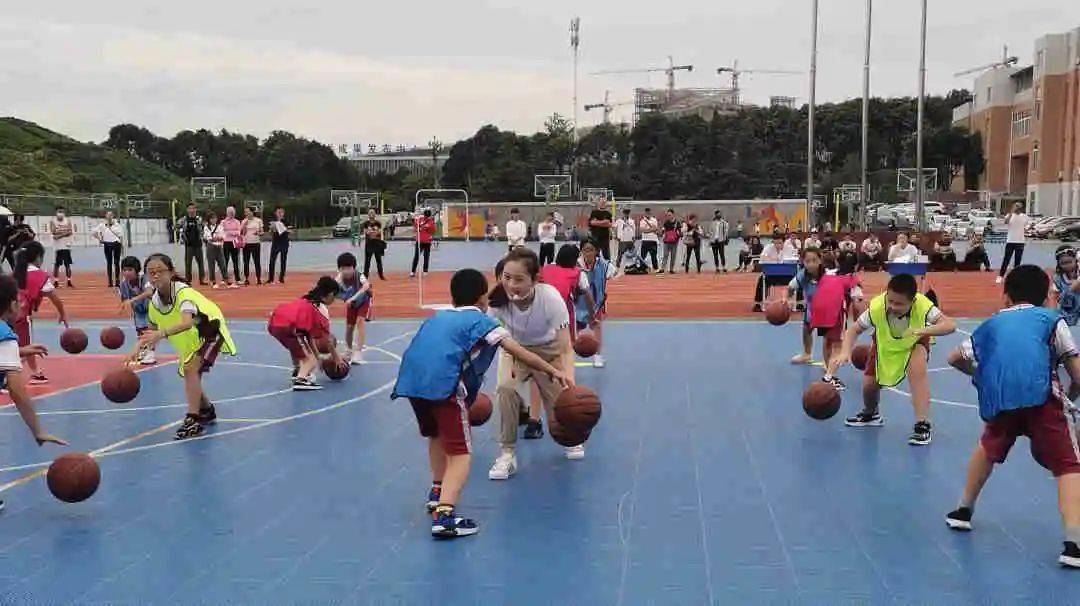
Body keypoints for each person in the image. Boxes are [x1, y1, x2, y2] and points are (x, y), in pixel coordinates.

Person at [391, 267, 569, 538]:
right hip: (444, 387)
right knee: (461, 453)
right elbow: (518, 351)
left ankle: (437, 492)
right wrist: (553, 370)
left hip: (412, 383)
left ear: (453, 299)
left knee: (436, 436)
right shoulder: (483, 322)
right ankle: (446, 515)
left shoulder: (437, 317)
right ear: (481, 299)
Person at [943, 265, 1080, 568]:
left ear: (1005, 298)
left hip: (1004, 398)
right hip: (1042, 397)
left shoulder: (992, 323)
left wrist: (981, 376)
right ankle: (1074, 544)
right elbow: (1077, 373)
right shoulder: (1052, 319)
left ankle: (962, 511)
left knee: (988, 446)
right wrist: (1069, 400)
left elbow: (955, 357)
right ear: (1047, 297)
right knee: (1069, 464)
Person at [830, 273, 956, 445]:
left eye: (899, 303)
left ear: (913, 300)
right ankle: (871, 413)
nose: (893, 306)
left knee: (916, 370)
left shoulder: (923, 305)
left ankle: (922, 424)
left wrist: (922, 331)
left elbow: (950, 325)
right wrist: (845, 351)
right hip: (885, 342)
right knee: (869, 384)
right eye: (891, 301)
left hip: (915, 340)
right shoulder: (877, 307)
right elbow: (854, 330)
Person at [488, 248, 582, 480]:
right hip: (515, 350)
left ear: (535, 278)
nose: (511, 284)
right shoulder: (497, 301)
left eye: (519, 279)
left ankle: (570, 439)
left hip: (549, 351)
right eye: (507, 277)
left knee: (560, 403)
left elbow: (565, 346)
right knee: (505, 388)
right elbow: (493, 341)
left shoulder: (549, 298)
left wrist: (568, 377)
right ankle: (507, 453)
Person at [130, 253, 237, 440]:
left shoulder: (183, 293)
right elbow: (151, 330)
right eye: (150, 272)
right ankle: (206, 410)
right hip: (193, 337)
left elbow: (187, 322)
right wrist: (136, 349)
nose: (154, 276)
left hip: (211, 330)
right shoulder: (155, 302)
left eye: (159, 271)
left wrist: (161, 334)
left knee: (190, 369)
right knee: (191, 373)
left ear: (171, 273)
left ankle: (193, 420)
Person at [0, 272, 67, 508]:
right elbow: (17, 390)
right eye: (18, 300)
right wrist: (37, 430)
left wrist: (20, 350)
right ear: (12, 304)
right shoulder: (4, 334)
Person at [268, 277, 344, 390]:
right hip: (290, 327)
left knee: (297, 349)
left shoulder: (306, 300)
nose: (334, 300)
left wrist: (319, 358)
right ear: (331, 294)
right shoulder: (320, 308)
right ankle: (301, 380)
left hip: (275, 323)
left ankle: (298, 371)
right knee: (309, 357)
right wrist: (337, 358)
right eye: (335, 297)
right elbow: (327, 338)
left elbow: (308, 337)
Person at [13, 242, 70, 385]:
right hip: (19, 317)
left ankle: (36, 373)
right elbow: (55, 298)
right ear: (38, 257)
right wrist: (63, 314)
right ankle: (5, 378)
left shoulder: (15, 273)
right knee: (23, 349)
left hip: (7, 315)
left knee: (21, 346)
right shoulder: (39, 275)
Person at [576, 238, 619, 369]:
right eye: (585, 250)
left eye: (591, 250)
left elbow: (615, 272)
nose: (588, 253)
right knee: (574, 331)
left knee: (597, 329)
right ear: (581, 251)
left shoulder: (604, 265)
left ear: (596, 251)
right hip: (578, 305)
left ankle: (597, 356)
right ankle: (568, 354)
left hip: (596, 305)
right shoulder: (576, 265)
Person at [117, 256, 157, 365]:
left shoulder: (145, 279)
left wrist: (132, 300)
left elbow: (149, 292)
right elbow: (125, 299)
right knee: (140, 331)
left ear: (136, 270)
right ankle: (144, 352)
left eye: (130, 270)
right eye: (124, 270)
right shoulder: (123, 284)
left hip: (153, 308)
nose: (127, 273)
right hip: (139, 310)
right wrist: (124, 306)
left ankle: (151, 353)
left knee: (148, 330)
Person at [335, 252, 374, 365]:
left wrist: (353, 297)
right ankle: (348, 350)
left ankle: (358, 352)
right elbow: (333, 291)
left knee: (360, 322)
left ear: (354, 267)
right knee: (349, 327)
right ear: (339, 269)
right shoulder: (338, 279)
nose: (346, 271)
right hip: (352, 305)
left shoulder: (359, 275)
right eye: (343, 268)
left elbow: (366, 286)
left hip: (364, 301)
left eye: (349, 268)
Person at [752, 235, 787, 312]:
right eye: (776, 243)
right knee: (761, 279)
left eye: (780, 243)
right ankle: (758, 304)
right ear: (773, 242)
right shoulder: (768, 248)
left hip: (786, 275)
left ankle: (799, 303)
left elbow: (793, 259)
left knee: (798, 279)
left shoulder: (788, 248)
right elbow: (762, 259)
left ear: (783, 242)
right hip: (771, 275)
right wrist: (773, 260)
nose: (778, 245)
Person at [998, 202, 1030, 284]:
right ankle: (1001, 276)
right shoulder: (1010, 215)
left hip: (1020, 241)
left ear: (1021, 207)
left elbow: (1027, 226)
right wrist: (1011, 212)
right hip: (1010, 241)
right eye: (1015, 206)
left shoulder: (1024, 217)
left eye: (1018, 206)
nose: (1017, 208)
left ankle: (1016, 277)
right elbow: (1006, 222)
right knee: (1006, 259)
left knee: (1017, 260)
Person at [176, 203, 206, 286]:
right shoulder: (184, 220)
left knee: (201, 263)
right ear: (187, 210)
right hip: (188, 245)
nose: (192, 210)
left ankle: (202, 279)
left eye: (193, 208)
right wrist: (181, 232)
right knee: (188, 263)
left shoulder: (199, 219)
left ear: (196, 209)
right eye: (190, 208)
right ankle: (188, 280)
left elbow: (205, 228)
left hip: (198, 244)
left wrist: (203, 236)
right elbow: (175, 227)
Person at [93, 211, 125, 287]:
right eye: (108, 215)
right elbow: (94, 232)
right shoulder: (102, 225)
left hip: (116, 244)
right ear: (105, 216)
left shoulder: (117, 225)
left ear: (113, 216)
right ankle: (110, 281)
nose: (109, 216)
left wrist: (122, 245)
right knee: (109, 263)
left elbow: (121, 235)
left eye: (111, 215)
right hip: (107, 244)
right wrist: (99, 239)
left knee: (116, 262)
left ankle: (117, 280)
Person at [46, 206, 75, 288]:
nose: (60, 213)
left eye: (62, 211)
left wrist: (60, 235)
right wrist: (63, 233)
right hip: (57, 247)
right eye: (59, 211)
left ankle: (69, 281)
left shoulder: (67, 220)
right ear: (56, 212)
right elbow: (53, 231)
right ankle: (55, 281)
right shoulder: (53, 221)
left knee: (67, 264)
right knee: (57, 264)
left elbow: (70, 231)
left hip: (66, 245)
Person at [1053, 246, 1080, 327]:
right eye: (1063, 263)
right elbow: (1057, 299)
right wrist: (1070, 289)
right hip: (1067, 314)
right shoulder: (1058, 279)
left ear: (1075, 260)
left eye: (1069, 262)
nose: (1067, 265)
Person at [203, 211, 230, 289]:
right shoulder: (206, 227)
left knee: (223, 264)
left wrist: (218, 238)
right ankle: (213, 281)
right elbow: (207, 237)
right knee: (211, 265)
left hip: (219, 246)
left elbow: (223, 235)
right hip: (211, 247)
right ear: (209, 219)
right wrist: (214, 238)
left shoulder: (220, 226)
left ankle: (226, 279)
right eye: (212, 218)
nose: (214, 220)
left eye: (215, 218)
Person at [240, 205, 264, 285]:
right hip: (246, 244)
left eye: (248, 212)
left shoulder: (258, 221)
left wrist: (258, 233)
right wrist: (244, 226)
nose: (246, 213)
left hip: (255, 243)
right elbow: (242, 233)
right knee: (246, 262)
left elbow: (262, 232)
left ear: (252, 212)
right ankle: (246, 278)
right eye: (245, 212)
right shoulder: (244, 221)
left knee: (257, 261)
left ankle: (258, 278)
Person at [220, 206, 243, 288]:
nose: (231, 214)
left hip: (235, 242)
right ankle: (224, 278)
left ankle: (238, 278)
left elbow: (238, 232)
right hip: (226, 242)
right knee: (225, 261)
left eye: (233, 212)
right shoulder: (223, 222)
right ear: (227, 213)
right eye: (230, 212)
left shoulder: (237, 221)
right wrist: (232, 232)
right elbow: (222, 231)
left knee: (235, 261)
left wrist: (229, 232)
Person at [267, 206, 290, 284]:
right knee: (272, 260)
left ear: (283, 213)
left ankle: (281, 277)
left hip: (284, 242)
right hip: (275, 242)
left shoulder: (286, 221)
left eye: (281, 212)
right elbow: (270, 232)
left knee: (283, 260)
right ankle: (270, 278)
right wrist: (272, 229)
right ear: (275, 213)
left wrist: (284, 228)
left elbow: (290, 230)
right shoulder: (273, 221)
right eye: (278, 212)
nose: (280, 214)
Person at [361, 209, 386, 280]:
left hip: (377, 244)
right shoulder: (366, 223)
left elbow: (379, 232)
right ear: (368, 215)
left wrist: (374, 232)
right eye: (370, 213)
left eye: (373, 213)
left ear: (375, 214)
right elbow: (366, 232)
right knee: (367, 261)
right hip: (369, 244)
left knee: (378, 260)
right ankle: (365, 276)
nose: (371, 214)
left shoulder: (378, 223)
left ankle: (381, 275)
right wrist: (373, 232)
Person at [411, 209, 436, 277]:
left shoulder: (431, 221)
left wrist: (427, 227)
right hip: (419, 241)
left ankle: (425, 271)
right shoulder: (420, 219)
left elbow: (433, 230)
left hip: (427, 241)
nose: (426, 216)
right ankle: (413, 271)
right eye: (426, 215)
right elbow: (415, 224)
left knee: (426, 256)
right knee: (416, 256)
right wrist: (414, 219)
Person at [660, 209, 681, 274]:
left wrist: (678, 234)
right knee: (665, 255)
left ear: (673, 214)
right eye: (668, 215)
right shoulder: (666, 222)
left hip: (674, 241)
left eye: (670, 215)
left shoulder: (677, 223)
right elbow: (663, 230)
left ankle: (671, 269)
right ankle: (663, 268)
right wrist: (662, 231)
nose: (668, 216)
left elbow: (679, 231)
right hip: (666, 241)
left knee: (673, 255)